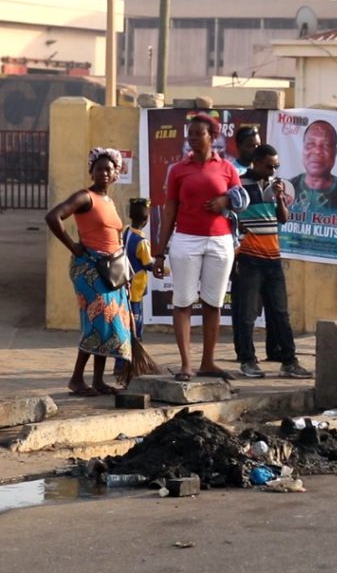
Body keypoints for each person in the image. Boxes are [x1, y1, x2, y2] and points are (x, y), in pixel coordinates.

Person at [151, 113, 245, 382]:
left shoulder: (227, 168)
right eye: (189, 134)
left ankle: (208, 362)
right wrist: (160, 250)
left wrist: (224, 201)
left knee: (213, 303)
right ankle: (185, 364)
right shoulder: (178, 169)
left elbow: (240, 200)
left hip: (220, 240)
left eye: (198, 134)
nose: (192, 139)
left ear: (212, 137)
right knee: (182, 302)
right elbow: (169, 210)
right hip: (186, 240)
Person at [44, 148, 132, 397]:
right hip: (90, 269)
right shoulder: (85, 197)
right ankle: (76, 379)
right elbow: (53, 216)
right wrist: (72, 245)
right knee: (97, 320)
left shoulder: (109, 201)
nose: (104, 173)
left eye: (109, 169)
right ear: (91, 171)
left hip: (110, 270)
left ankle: (98, 381)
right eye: (99, 168)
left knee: (106, 322)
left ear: (116, 173)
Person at [232, 144, 313, 379]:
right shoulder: (238, 184)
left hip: (273, 258)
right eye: (269, 166)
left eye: (276, 166)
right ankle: (247, 360)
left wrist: (280, 198)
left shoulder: (276, 186)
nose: (272, 170)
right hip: (249, 258)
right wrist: (239, 229)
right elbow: (230, 215)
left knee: (280, 312)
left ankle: (289, 360)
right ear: (256, 162)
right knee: (247, 313)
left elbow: (283, 219)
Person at [113, 198, 155, 377]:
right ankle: (128, 365)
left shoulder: (126, 232)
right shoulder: (142, 241)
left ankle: (119, 364)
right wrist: (164, 268)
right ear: (146, 220)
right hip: (136, 291)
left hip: (124, 286)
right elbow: (148, 264)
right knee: (135, 329)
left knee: (124, 327)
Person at [289, 120, 337, 212]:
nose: (317, 151)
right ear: (303, 148)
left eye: (326, 145)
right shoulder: (290, 188)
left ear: (335, 151)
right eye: (310, 144)